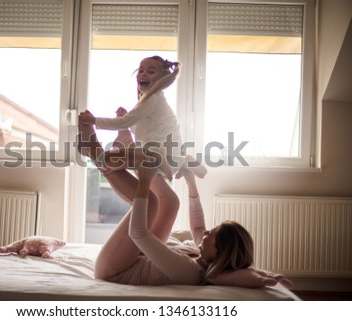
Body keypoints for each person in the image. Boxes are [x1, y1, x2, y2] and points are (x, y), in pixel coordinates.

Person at [77, 120, 293, 288]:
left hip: (114, 269)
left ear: (219, 253)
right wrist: (191, 184)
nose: (205, 233)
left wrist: (144, 181)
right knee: (171, 202)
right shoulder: (206, 259)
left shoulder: (188, 271)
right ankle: (129, 147)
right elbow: (198, 228)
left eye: (212, 235)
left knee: (151, 201)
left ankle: (94, 151)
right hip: (135, 258)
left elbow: (139, 234)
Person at [79, 55, 207, 181]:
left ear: (162, 79)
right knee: (117, 159)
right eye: (141, 70)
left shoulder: (152, 99)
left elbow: (124, 123)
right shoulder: (155, 100)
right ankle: (185, 160)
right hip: (172, 158)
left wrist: (94, 120)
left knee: (107, 161)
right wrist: (127, 120)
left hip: (160, 158)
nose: (143, 74)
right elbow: (140, 129)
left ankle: (178, 159)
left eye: (151, 72)